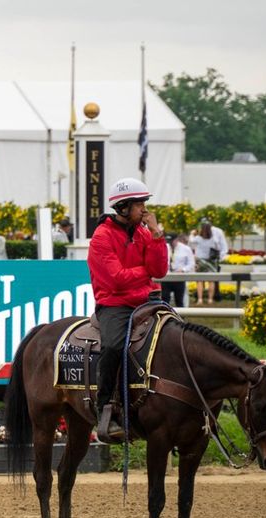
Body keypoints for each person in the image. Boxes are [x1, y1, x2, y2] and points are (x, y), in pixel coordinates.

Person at [88, 177, 168, 444]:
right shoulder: (101, 237)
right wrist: (145, 273)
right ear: (123, 207)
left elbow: (160, 271)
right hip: (114, 305)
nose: (145, 210)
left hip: (147, 300)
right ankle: (105, 410)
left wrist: (157, 236)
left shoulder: (145, 233)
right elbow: (117, 279)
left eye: (145, 203)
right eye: (140, 204)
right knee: (112, 347)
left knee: (180, 336)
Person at [190, 218, 228, 304]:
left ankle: (200, 299)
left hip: (200, 261)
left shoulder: (198, 238)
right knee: (211, 281)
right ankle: (210, 299)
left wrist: (192, 234)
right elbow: (218, 248)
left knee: (199, 280)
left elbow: (191, 241)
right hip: (211, 261)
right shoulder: (213, 238)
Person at [160, 233, 195, 307]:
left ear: (176, 240)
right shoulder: (164, 247)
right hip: (166, 277)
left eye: (171, 241)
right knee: (164, 300)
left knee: (179, 300)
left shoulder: (185, 249)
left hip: (179, 278)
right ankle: (165, 317)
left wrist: (183, 270)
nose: (169, 243)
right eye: (168, 241)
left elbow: (191, 263)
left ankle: (180, 317)